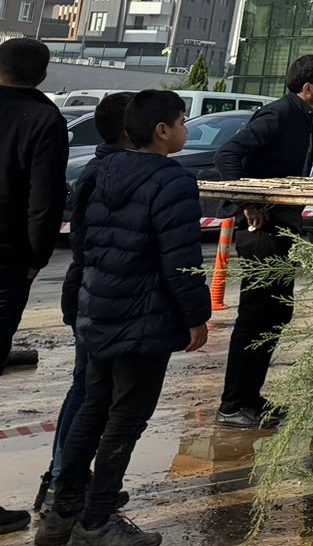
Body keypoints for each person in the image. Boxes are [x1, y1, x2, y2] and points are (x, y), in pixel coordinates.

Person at [39, 92, 210, 546]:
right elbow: (181, 261)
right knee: (126, 418)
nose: (185, 130)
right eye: (182, 122)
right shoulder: (173, 181)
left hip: (99, 311)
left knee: (93, 407)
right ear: (162, 131)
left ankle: (61, 515)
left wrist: (76, 304)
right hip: (144, 321)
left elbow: (82, 248)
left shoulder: (99, 171)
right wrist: (196, 316)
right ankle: (96, 521)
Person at [214, 52, 313, 429]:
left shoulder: (305, 117)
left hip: (282, 228)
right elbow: (228, 155)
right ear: (308, 87)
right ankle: (234, 404)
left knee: (276, 314)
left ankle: (250, 397)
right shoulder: (278, 115)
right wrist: (249, 204)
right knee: (256, 316)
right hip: (261, 233)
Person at [37, 96, 134, 524]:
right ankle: (62, 479)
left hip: (89, 293)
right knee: (87, 389)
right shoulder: (105, 173)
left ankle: (65, 478)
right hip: (94, 296)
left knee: (90, 389)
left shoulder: (101, 168)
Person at [0, 38, 70, 533]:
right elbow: (45, 201)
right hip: (6, 262)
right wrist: (35, 260)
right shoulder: (44, 120)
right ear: (43, 76)